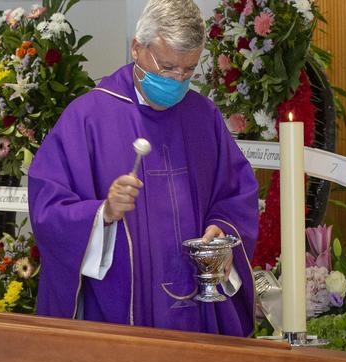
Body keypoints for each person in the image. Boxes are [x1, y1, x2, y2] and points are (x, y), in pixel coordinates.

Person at [28, 0, 259, 336]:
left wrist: (220, 232)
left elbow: (237, 192)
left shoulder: (202, 116)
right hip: (116, 312)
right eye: (167, 68)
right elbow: (47, 209)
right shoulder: (88, 117)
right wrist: (103, 213)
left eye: (188, 71)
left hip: (197, 310)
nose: (177, 80)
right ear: (137, 48)